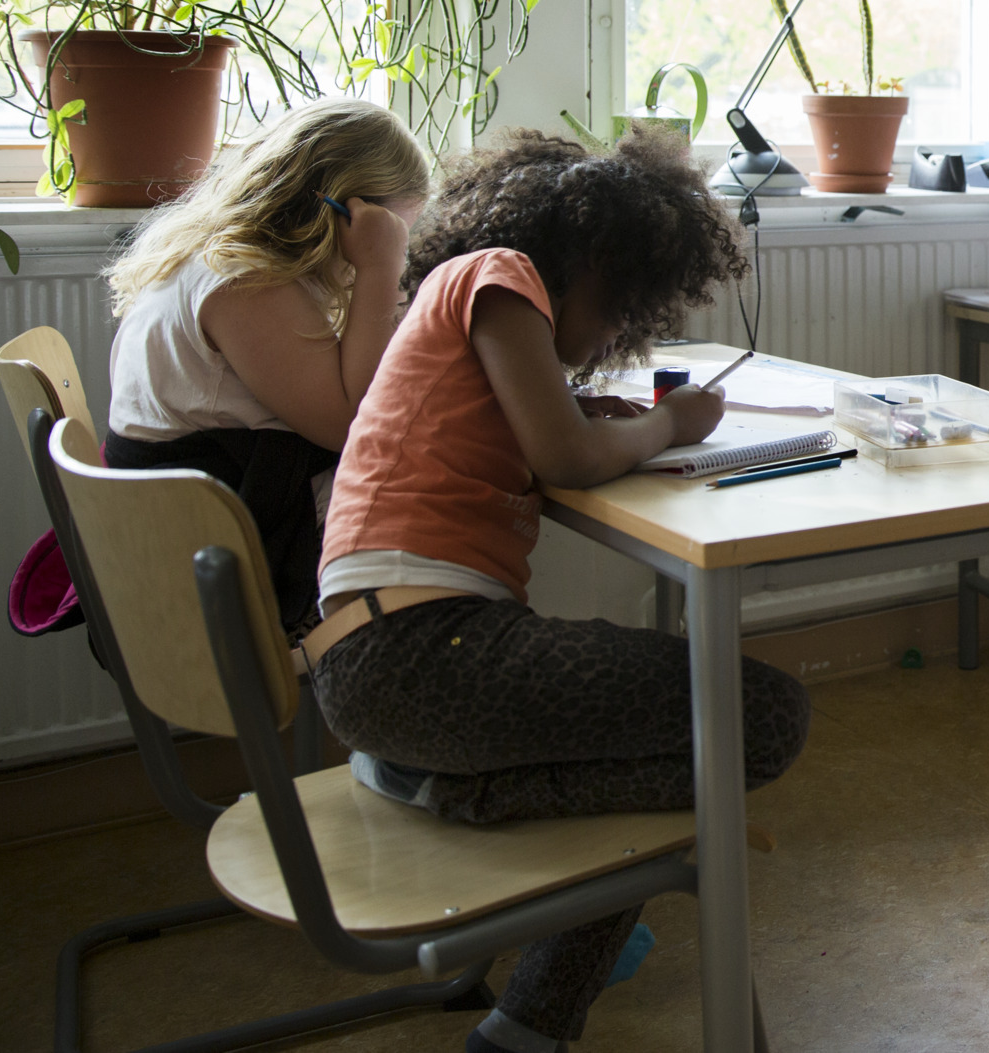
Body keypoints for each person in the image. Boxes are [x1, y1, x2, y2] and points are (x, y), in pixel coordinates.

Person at [305, 128, 809, 1053]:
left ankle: (528, 1027)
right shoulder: (498, 273)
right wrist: (667, 422)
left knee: (686, 753)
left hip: (386, 655)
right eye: (619, 308)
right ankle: (456, 793)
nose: (616, 334)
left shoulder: (464, 296)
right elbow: (566, 459)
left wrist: (582, 407)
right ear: (591, 256)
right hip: (421, 659)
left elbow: (531, 434)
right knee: (755, 715)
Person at [106, 98, 431, 635]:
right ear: (345, 215)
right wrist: (380, 268)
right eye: (396, 231)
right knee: (465, 501)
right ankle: (400, 697)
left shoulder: (224, 259)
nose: (396, 247)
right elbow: (353, 426)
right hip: (222, 561)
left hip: (197, 528)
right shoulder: (245, 283)